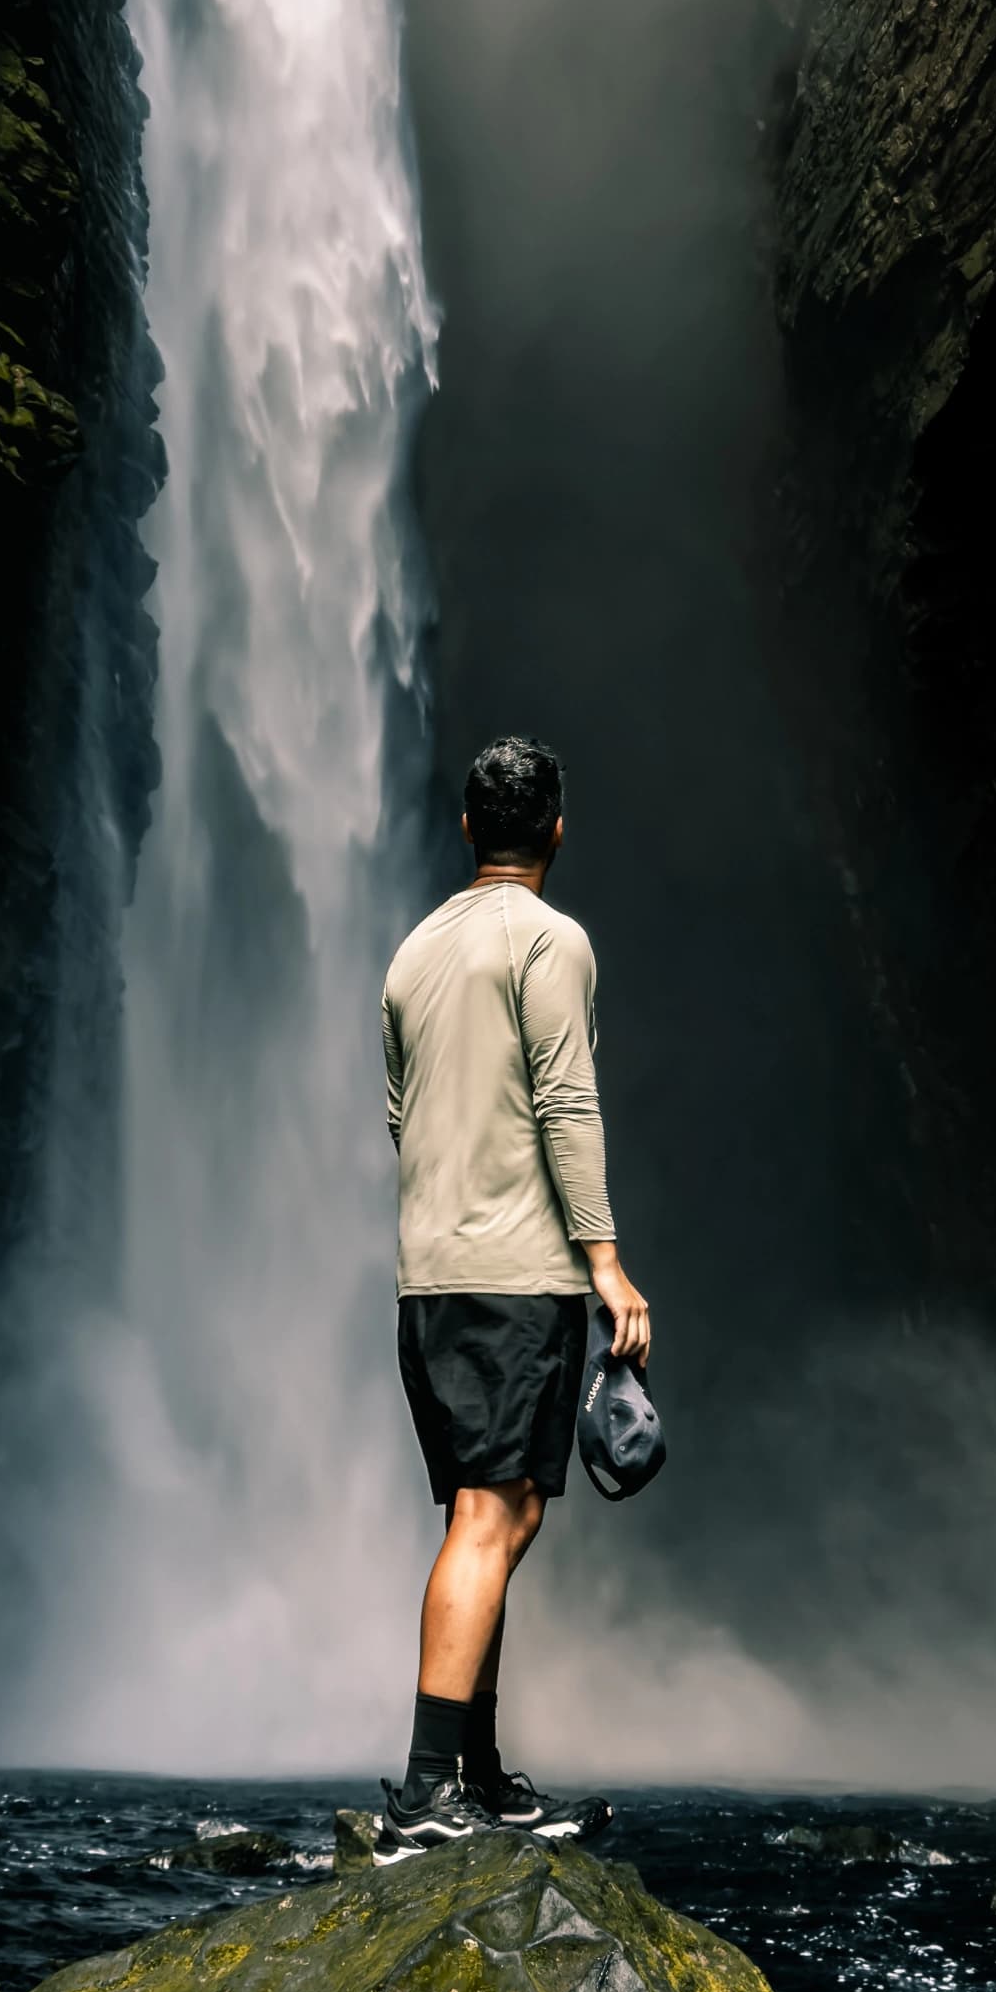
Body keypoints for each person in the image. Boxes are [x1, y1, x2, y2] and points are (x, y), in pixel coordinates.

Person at [375, 731, 652, 1856]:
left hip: (431, 1276)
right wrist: (604, 1260)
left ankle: (476, 1773)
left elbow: (397, 1112)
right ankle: (426, 1791)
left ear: (464, 829)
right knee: (496, 1516)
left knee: (490, 1512)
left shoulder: (412, 952)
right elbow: (566, 1103)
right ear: (556, 829)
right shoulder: (551, 940)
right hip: (513, 1273)